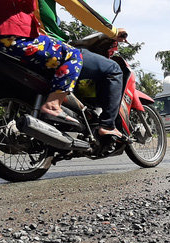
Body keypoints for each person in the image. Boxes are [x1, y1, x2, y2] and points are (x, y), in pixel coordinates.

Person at [36, 0, 128, 141]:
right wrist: (113, 31)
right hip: (46, 45)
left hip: (7, 45)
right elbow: (78, 6)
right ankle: (108, 126)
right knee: (113, 69)